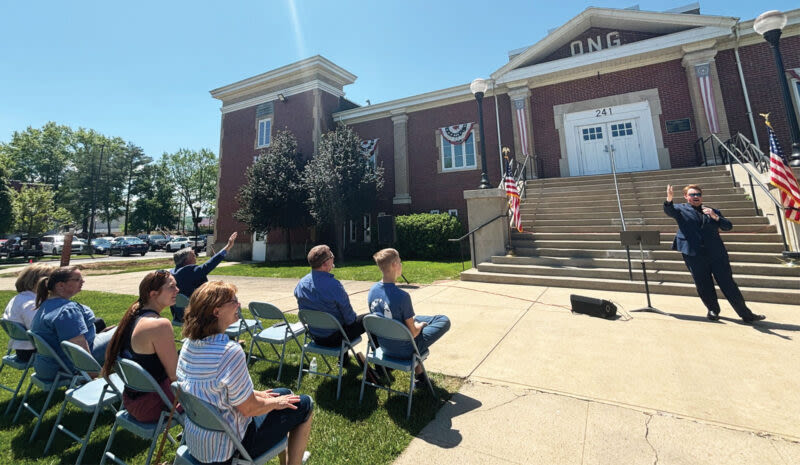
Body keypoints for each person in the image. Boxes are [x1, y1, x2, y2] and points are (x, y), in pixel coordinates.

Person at [177, 281, 312, 465]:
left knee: (285, 394)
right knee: (304, 404)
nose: (239, 305)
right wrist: (274, 403)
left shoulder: (188, 345)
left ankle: (288, 455)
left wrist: (265, 396)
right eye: (233, 301)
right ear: (217, 312)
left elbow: (215, 391)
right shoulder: (228, 351)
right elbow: (249, 409)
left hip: (199, 441)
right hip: (229, 447)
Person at [664, 184, 766, 323]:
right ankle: (713, 310)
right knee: (703, 284)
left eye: (698, 194)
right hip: (694, 254)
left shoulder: (712, 210)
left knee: (728, 283)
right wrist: (669, 199)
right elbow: (669, 210)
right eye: (692, 195)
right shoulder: (680, 209)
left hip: (716, 253)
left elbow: (728, 226)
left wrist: (715, 217)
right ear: (686, 197)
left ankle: (746, 314)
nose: (696, 197)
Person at [101, 270, 182, 422]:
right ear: (153, 294)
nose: (177, 290)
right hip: (154, 405)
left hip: (132, 400)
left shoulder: (133, 316)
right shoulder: (159, 325)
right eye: (171, 287)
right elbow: (175, 376)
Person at [293, 245, 379, 382]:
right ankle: (380, 367)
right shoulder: (334, 285)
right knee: (371, 319)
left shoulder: (301, 284)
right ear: (326, 263)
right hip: (334, 338)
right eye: (331, 255)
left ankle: (343, 360)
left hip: (316, 336)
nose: (334, 258)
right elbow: (350, 319)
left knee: (337, 320)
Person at [367, 248, 450, 386]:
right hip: (405, 349)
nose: (401, 265)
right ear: (394, 265)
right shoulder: (402, 297)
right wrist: (420, 326)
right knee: (443, 320)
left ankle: (421, 376)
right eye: (400, 262)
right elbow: (413, 332)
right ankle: (421, 378)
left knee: (414, 321)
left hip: (385, 345)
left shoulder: (372, 291)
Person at [30, 267, 117, 380]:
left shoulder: (47, 304)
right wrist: (91, 375)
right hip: (69, 367)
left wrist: (96, 335)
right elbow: (78, 349)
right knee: (127, 329)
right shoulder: (67, 311)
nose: (82, 281)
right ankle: (137, 379)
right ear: (60, 285)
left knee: (118, 331)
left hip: (47, 367)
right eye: (77, 279)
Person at [170, 231, 238, 323]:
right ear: (186, 260)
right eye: (193, 255)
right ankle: (229, 334)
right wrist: (228, 246)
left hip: (178, 316)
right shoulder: (189, 271)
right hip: (194, 316)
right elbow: (209, 264)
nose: (195, 258)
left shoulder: (172, 273)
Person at [2, 264, 55, 362]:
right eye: (52, 280)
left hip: (23, 349)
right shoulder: (30, 304)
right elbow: (39, 331)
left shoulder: (20, 298)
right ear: (39, 281)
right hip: (32, 351)